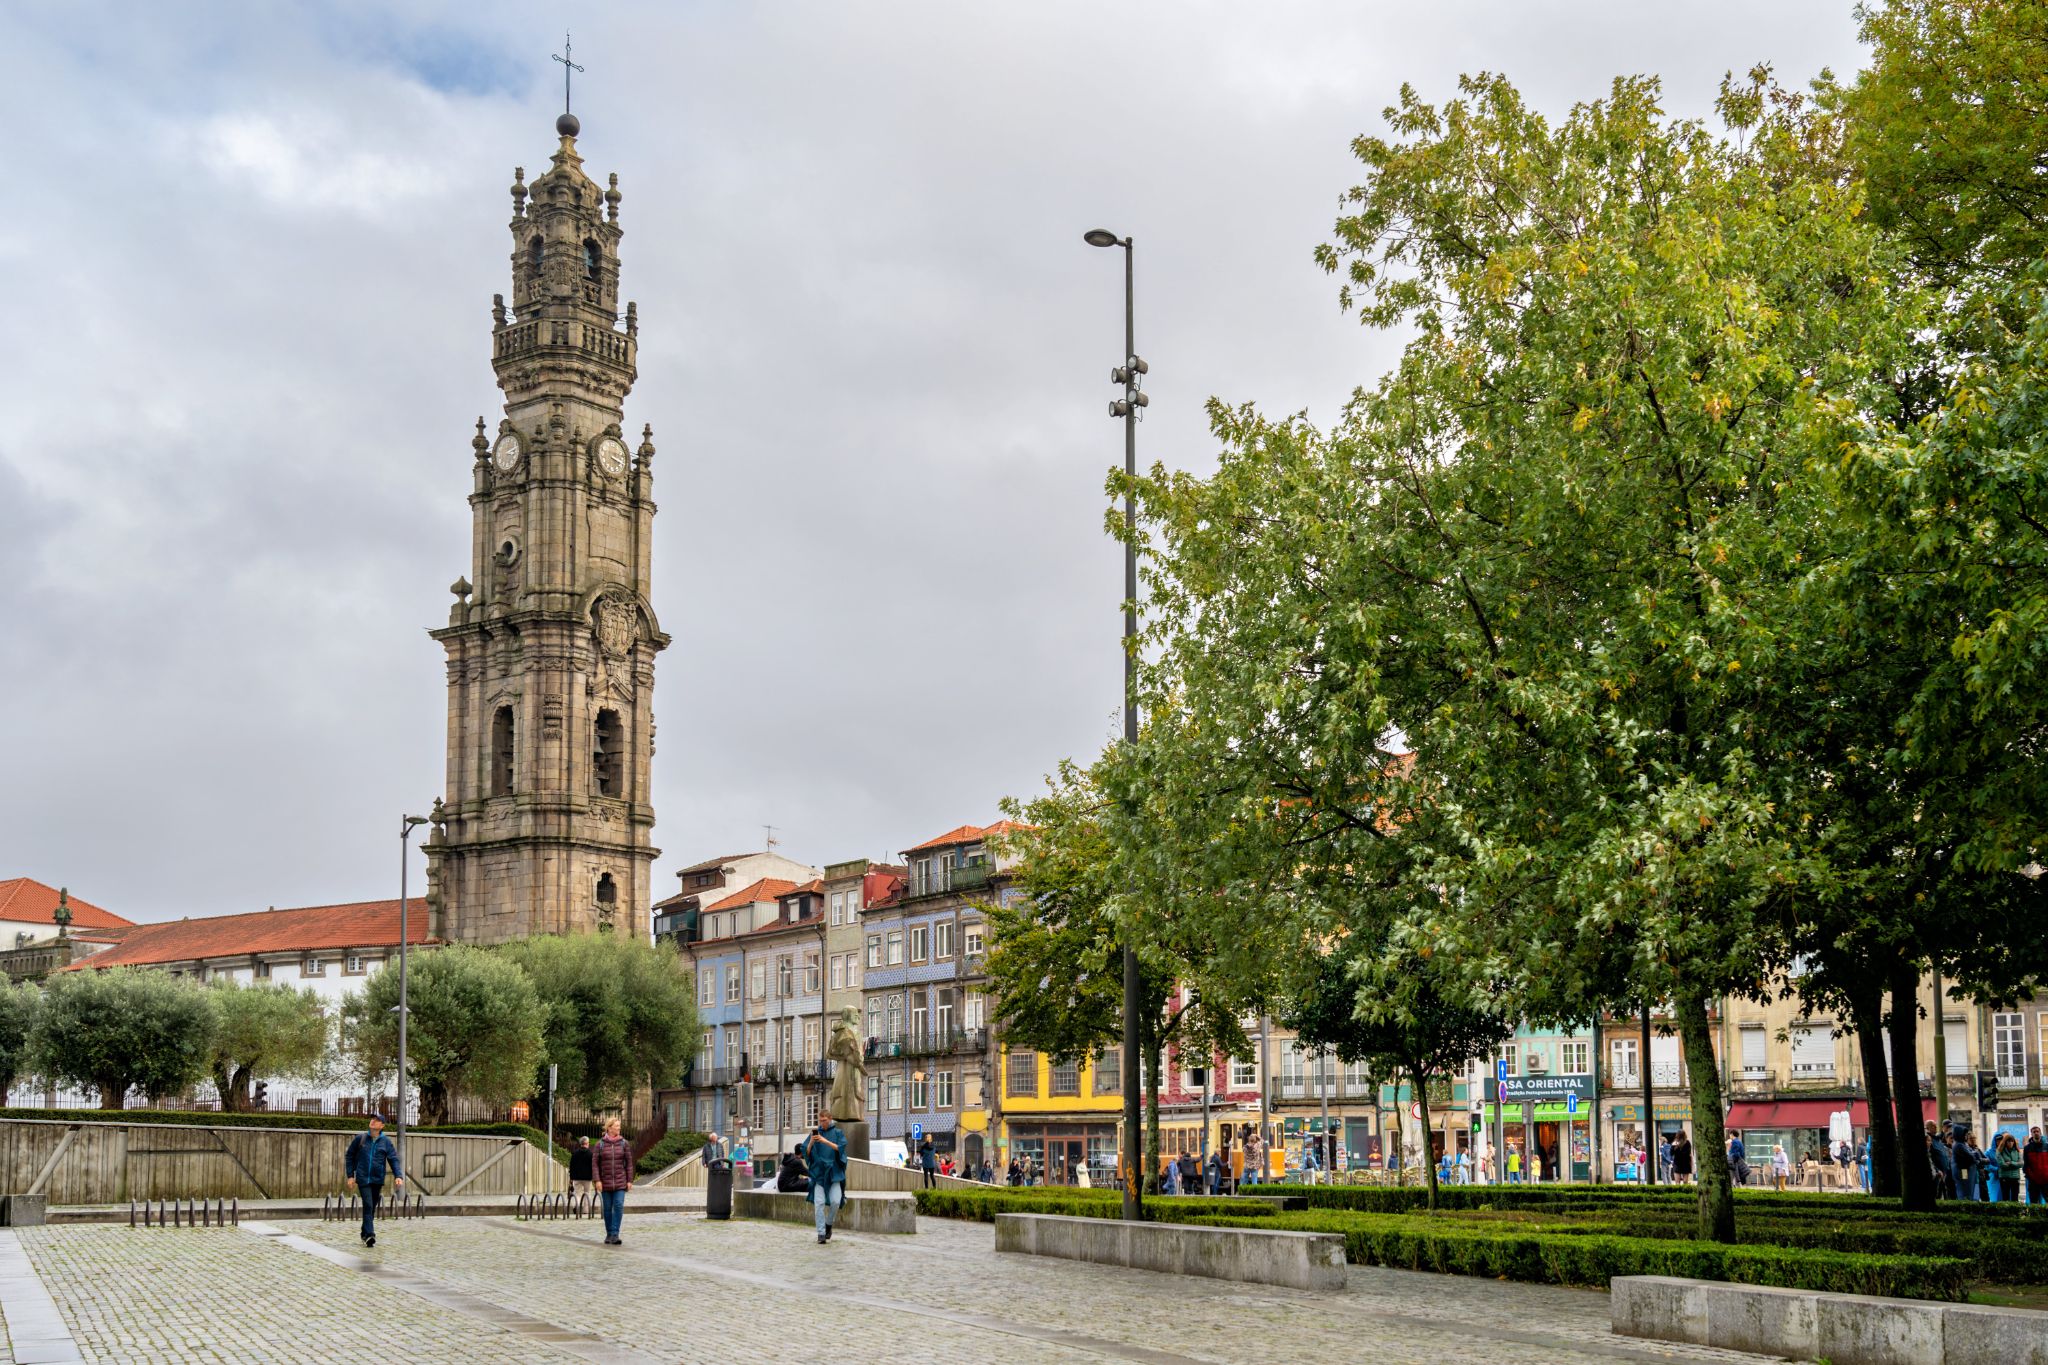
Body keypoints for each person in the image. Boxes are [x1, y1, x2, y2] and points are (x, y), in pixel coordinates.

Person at [344, 1112, 405, 1248]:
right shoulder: (360, 1139)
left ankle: (364, 1233)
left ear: (382, 1125)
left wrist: (398, 1176)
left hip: (377, 1179)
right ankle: (370, 1234)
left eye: (376, 1120)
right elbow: (349, 1156)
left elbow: (393, 1160)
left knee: (371, 1209)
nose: (373, 1121)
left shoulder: (386, 1142)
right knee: (368, 1205)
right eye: (372, 1119)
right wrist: (350, 1176)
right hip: (363, 1178)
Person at [806, 1105, 848, 1244]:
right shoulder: (815, 1133)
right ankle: (821, 1234)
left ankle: (829, 1224)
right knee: (819, 1204)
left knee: (836, 1201)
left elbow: (840, 1148)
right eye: (820, 1120)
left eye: (824, 1120)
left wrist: (825, 1141)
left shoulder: (838, 1133)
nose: (822, 1123)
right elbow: (807, 1153)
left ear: (830, 1119)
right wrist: (811, 1143)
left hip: (834, 1173)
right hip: (819, 1174)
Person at [593, 1116, 633, 1246]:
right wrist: (597, 1180)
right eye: (616, 1126)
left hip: (621, 1182)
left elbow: (629, 1163)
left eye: (619, 1125)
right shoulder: (600, 1144)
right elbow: (595, 1164)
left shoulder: (624, 1143)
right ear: (609, 1128)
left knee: (619, 1205)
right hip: (605, 1182)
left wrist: (629, 1180)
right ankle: (609, 1233)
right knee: (607, 1209)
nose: (619, 1128)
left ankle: (615, 1233)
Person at [2024, 1127, 2048, 1206]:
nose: (2036, 1133)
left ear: (2040, 1133)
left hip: (2046, 1179)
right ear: (2031, 1134)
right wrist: (2030, 1176)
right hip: (2033, 1180)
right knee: (2033, 1202)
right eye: (2034, 1132)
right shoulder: (2027, 1148)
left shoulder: (2046, 1146)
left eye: (2037, 1131)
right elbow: (2026, 1164)